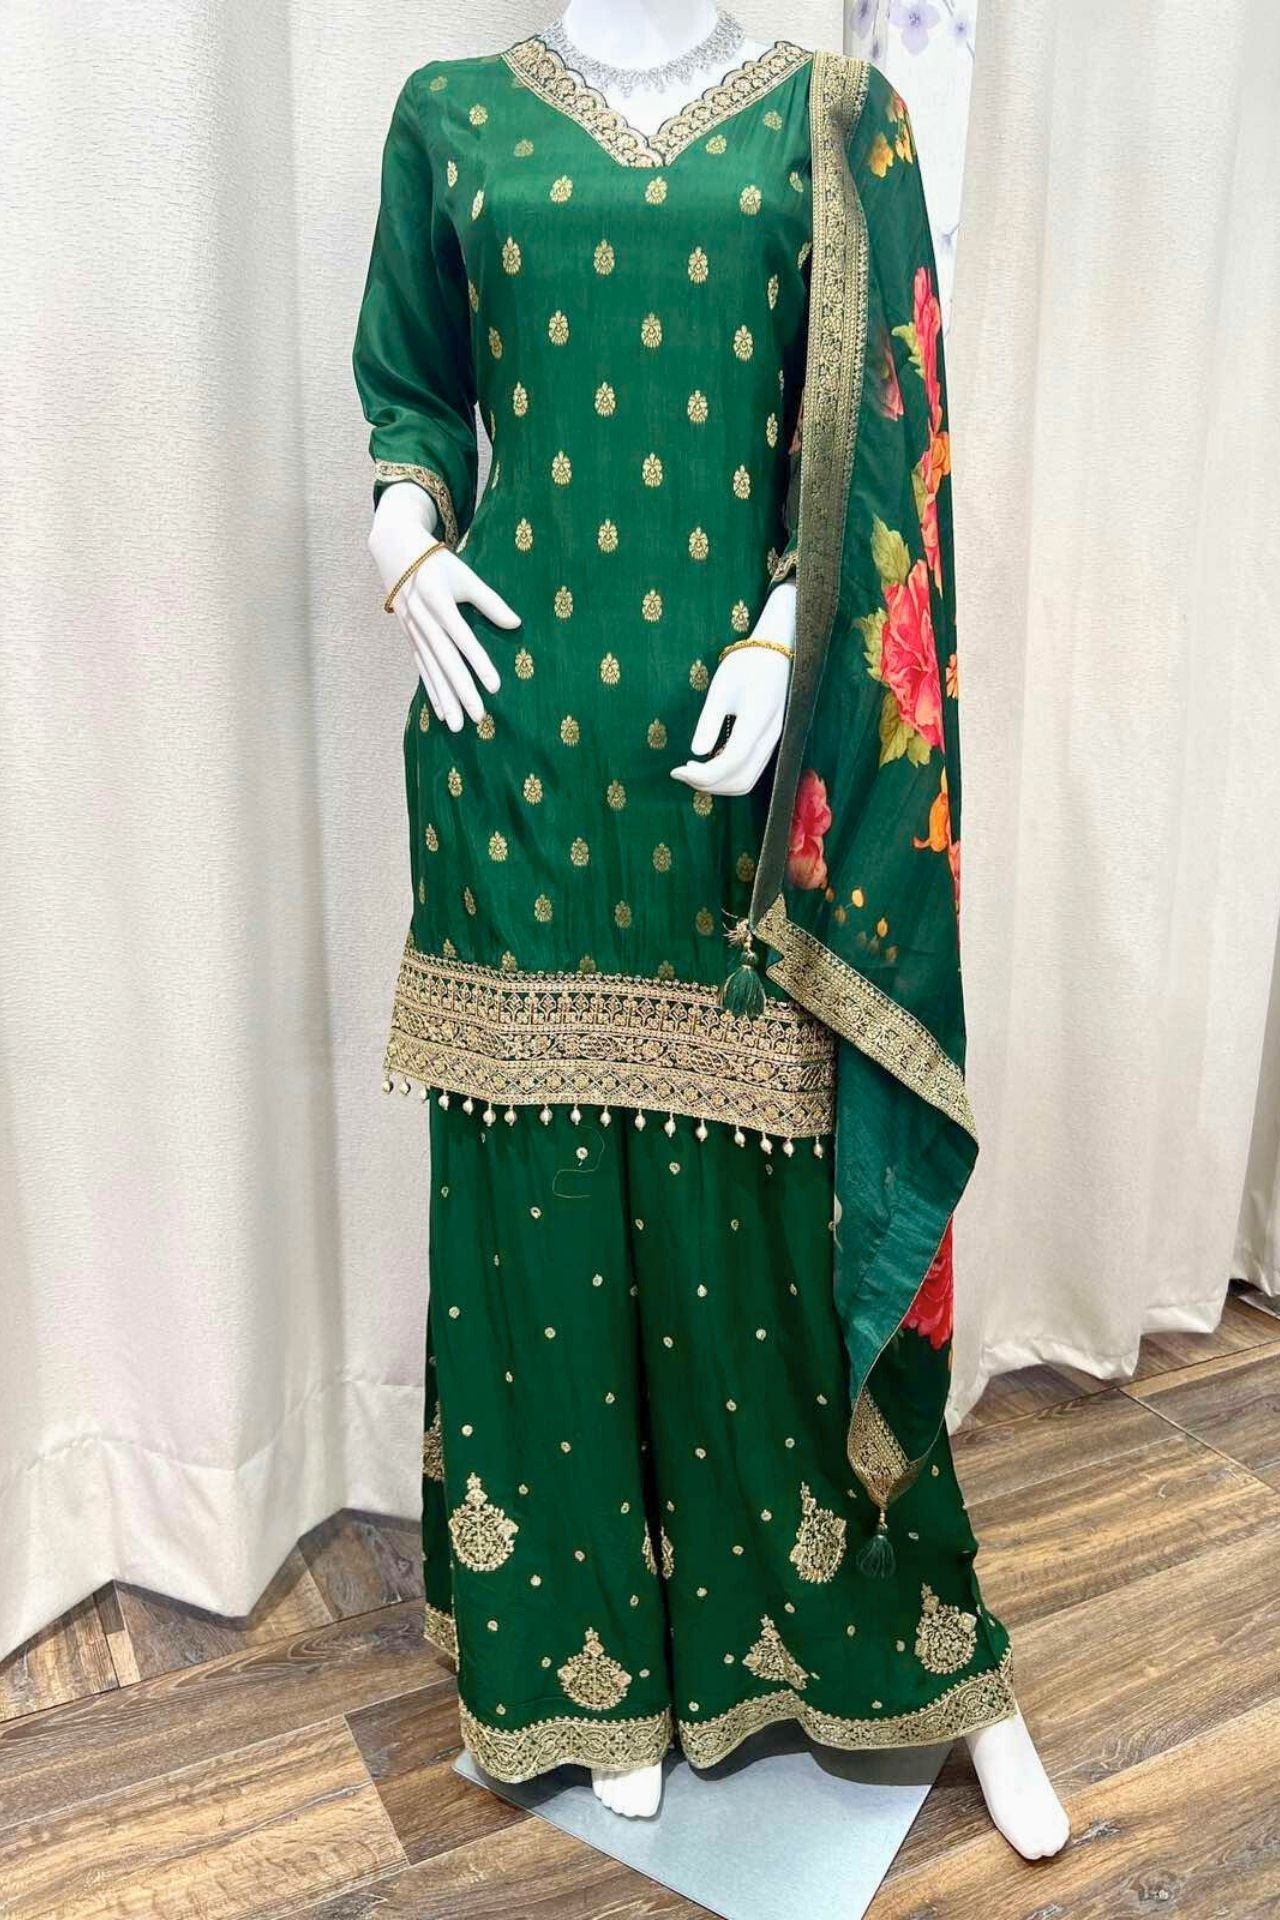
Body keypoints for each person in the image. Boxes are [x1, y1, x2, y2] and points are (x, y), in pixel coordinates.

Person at [352, 3, 1069, 1857]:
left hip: (741, 769)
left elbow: (879, 452)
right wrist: (403, 539)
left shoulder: (833, 119)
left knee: (761, 1220)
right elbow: (416, 392)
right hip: (512, 752)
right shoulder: (450, 115)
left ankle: (902, 1645)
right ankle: (589, 1669)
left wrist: (778, 630)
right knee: (536, 1217)